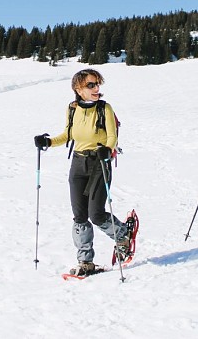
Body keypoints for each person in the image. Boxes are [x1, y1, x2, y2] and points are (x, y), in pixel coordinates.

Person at [34, 69, 134, 277]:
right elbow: (68, 135)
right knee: (80, 216)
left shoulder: (104, 108)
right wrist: (48, 142)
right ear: (78, 89)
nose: (97, 88)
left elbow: (112, 136)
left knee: (96, 214)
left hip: (100, 162)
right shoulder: (72, 109)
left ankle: (124, 235)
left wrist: (107, 149)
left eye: (98, 84)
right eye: (91, 85)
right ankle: (85, 262)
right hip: (78, 163)